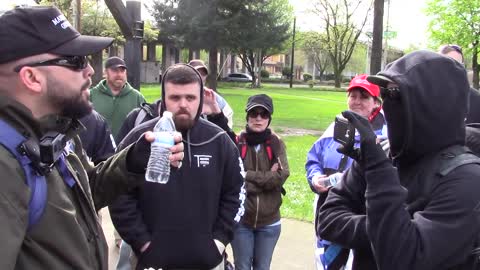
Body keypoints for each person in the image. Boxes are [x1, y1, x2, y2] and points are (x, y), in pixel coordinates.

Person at [0, 6, 184, 270]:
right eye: (75, 61)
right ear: (31, 77)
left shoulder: (57, 133)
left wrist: (132, 160)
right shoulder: (5, 165)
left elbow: (88, 193)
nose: (90, 71)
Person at [317, 50, 480, 269]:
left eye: (395, 96)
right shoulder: (382, 152)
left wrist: (378, 175)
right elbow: (327, 218)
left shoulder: (467, 178)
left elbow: (403, 258)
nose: (388, 105)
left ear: (431, 105)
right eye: (385, 95)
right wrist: (397, 226)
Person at [109, 64, 245, 270]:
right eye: (175, 98)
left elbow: (237, 193)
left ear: (201, 98)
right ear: (163, 98)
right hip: (152, 262)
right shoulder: (140, 138)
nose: (183, 104)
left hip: (208, 261)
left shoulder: (219, 140)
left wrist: (218, 242)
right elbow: (118, 194)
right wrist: (143, 243)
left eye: (190, 98)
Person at [305, 74, 387, 270]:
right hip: (326, 215)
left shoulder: (384, 137)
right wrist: (315, 177)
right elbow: (313, 159)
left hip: (357, 223)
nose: (356, 101)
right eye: (353, 95)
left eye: (364, 97)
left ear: (376, 103)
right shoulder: (336, 128)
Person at [226, 94, 290, 270]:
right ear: (247, 116)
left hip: (269, 222)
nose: (259, 118)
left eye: (264, 114)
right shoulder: (236, 143)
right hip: (241, 222)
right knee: (243, 266)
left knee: (262, 267)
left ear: (269, 119)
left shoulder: (275, 142)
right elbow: (233, 181)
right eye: (254, 113)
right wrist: (267, 177)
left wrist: (247, 175)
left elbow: (282, 176)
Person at [89, 56, 146, 138]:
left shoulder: (137, 97)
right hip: (97, 149)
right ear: (105, 72)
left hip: (126, 149)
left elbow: (145, 127)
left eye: (122, 71)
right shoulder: (92, 95)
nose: (119, 74)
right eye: (115, 70)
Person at [438, 44, 480, 124]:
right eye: (447, 64)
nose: (454, 69)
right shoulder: (424, 97)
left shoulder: (476, 99)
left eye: (459, 65)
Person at [188, 59, 234, 128]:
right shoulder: (180, 96)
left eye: (203, 73)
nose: (199, 76)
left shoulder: (215, 98)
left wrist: (216, 114)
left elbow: (227, 127)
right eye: (196, 72)